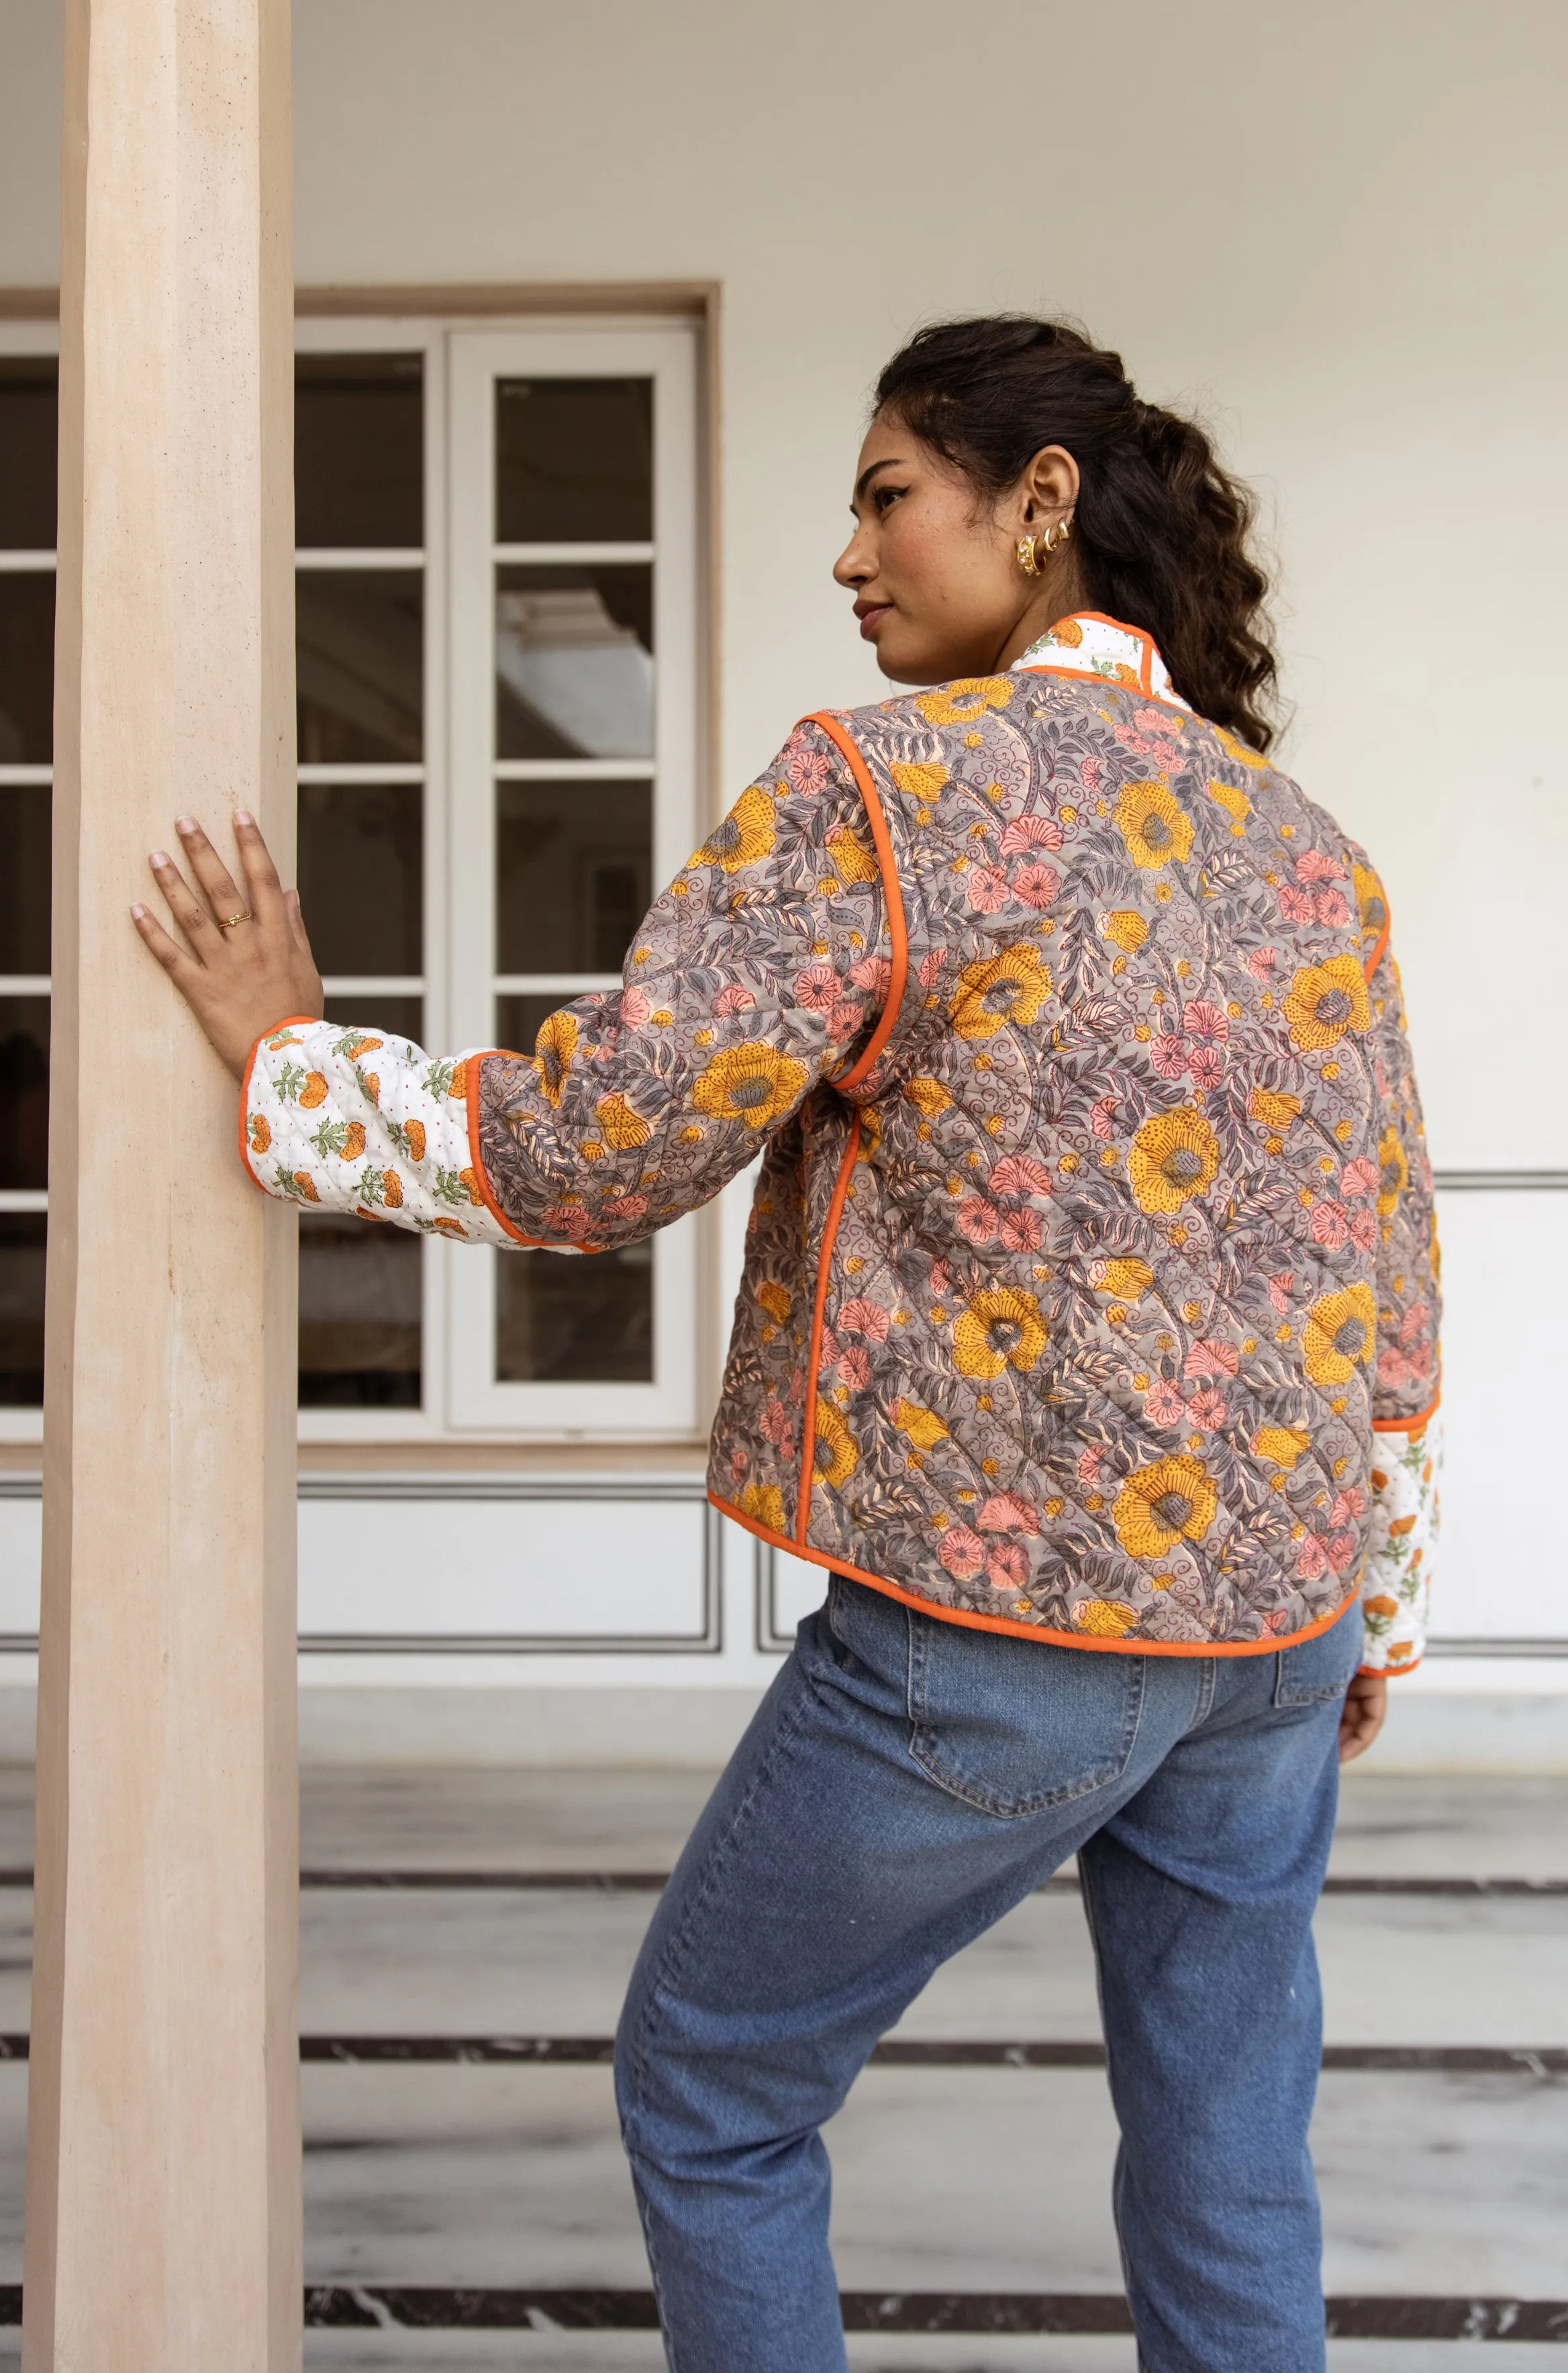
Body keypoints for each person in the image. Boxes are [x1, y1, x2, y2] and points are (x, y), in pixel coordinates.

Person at [135, 315, 1440, 2373]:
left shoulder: (881, 786)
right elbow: (1387, 1251)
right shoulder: (1303, 851)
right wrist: (1374, 1607)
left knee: (716, 2091)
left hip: (990, 1627)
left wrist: (299, 1067)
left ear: (1036, 508)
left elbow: (599, 1148)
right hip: (1265, 1640)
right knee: (1228, 2151)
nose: (848, 553)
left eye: (882, 495)